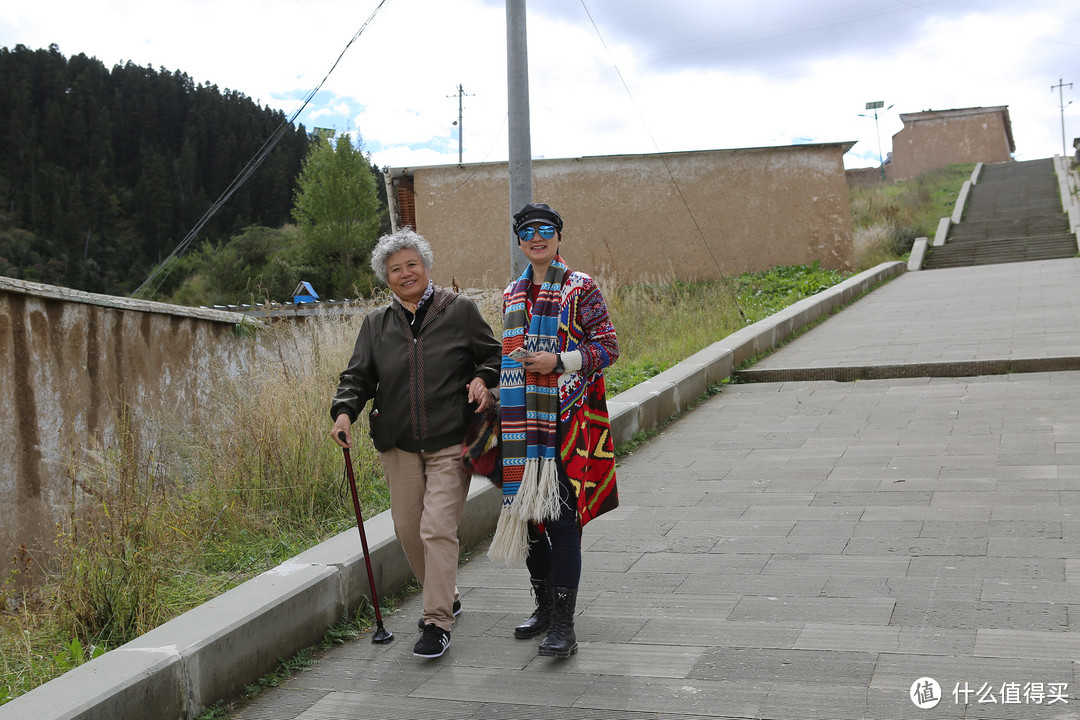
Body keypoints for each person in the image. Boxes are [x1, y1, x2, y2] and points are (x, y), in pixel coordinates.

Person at [331, 228, 501, 659]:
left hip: (451, 441)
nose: (405, 273)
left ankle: (436, 621)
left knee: (437, 528)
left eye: (412, 264)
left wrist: (483, 379)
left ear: (426, 267)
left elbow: (493, 354)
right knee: (408, 530)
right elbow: (358, 377)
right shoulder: (376, 323)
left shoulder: (459, 310)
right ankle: (446, 594)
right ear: (385, 278)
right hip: (399, 442)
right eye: (395, 269)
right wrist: (344, 413)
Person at [489, 202, 620, 658]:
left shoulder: (581, 288)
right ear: (520, 241)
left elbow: (608, 347)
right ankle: (544, 607)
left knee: (563, 522)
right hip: (521, 424)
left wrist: (558, 362)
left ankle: (564, 624)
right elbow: (508, 356)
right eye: (528, 231)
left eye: (546, 229)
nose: (537, 236)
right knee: (528, 517)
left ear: (559, 237)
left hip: (566, 424)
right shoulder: (511, 293)